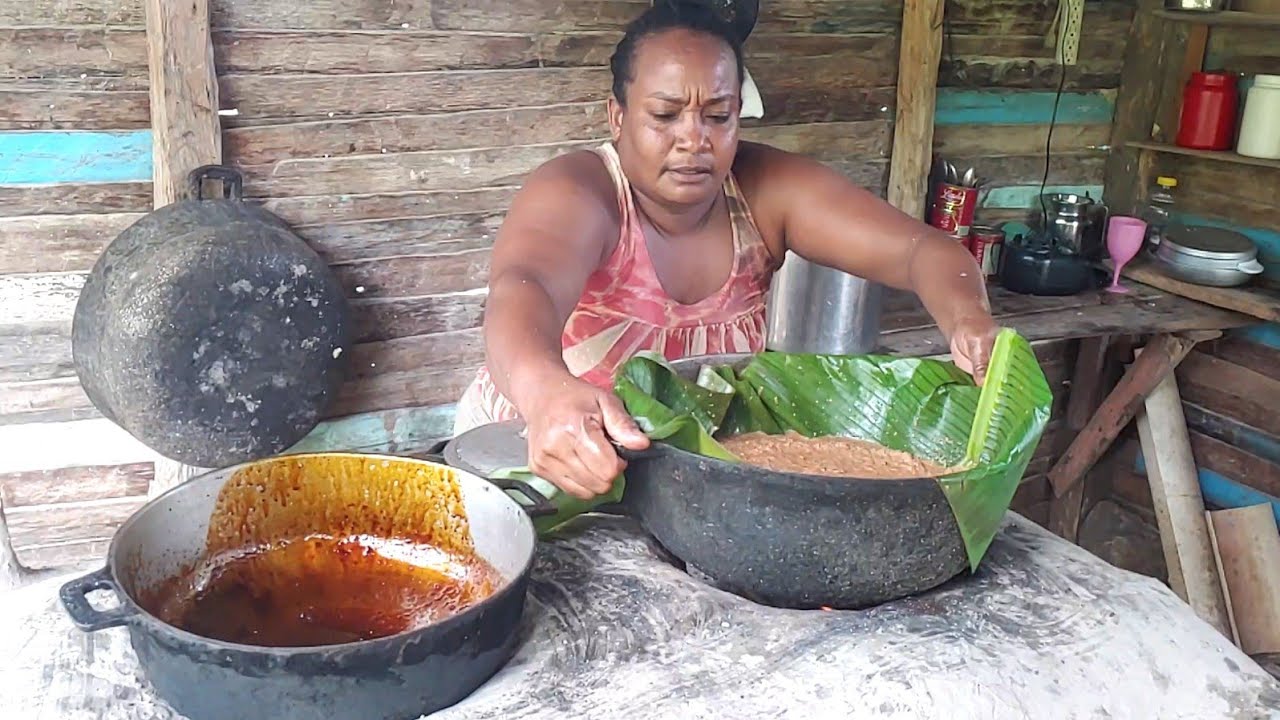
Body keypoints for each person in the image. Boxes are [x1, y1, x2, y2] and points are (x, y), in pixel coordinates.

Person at [454, 1, 1000, 501]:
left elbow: (920, 252)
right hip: (537, 458)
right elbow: (523, 288)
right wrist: (546, 392)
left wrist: (968, 319)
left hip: (677, 475)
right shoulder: (581, 190)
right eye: (665, 116)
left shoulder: (763, 190)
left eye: (718, 116)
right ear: (617, 116)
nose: (695, 140)